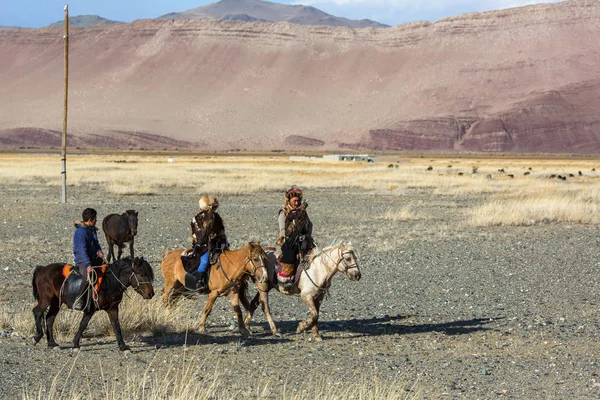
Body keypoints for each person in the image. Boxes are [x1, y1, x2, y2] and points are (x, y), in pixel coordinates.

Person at [189, 195, 228, 293]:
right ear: (208, 207)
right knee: (205, 261)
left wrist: (224, 241)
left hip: (217, 244)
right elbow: (198, 235)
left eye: (215, 207)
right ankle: (198, 282)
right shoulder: (197, 219)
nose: (215, 209)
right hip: (203, 246)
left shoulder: (217, 217)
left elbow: (221, 230)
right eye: (213, 207)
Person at [276, 186, 314, 287]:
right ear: (288, 200)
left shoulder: (302, 212)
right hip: (289, 242)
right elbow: (283, 231)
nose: (297, 203)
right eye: (295, 201)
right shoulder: (283, 213)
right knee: (290, 256)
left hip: (304, 240)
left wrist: (307, 235)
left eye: (298, 201)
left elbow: (309, 224)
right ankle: (286, 280)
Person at [72, 208, 105, 310]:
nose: (96, 221)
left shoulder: (91, 230)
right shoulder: (81, 233)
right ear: (90, 220)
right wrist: (88, 265)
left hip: (92, 257)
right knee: (88, 277)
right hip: (83, 260)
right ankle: (78, 299)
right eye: (95, 219)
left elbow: (96, 244)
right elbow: (82, 250)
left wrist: (99, 250)